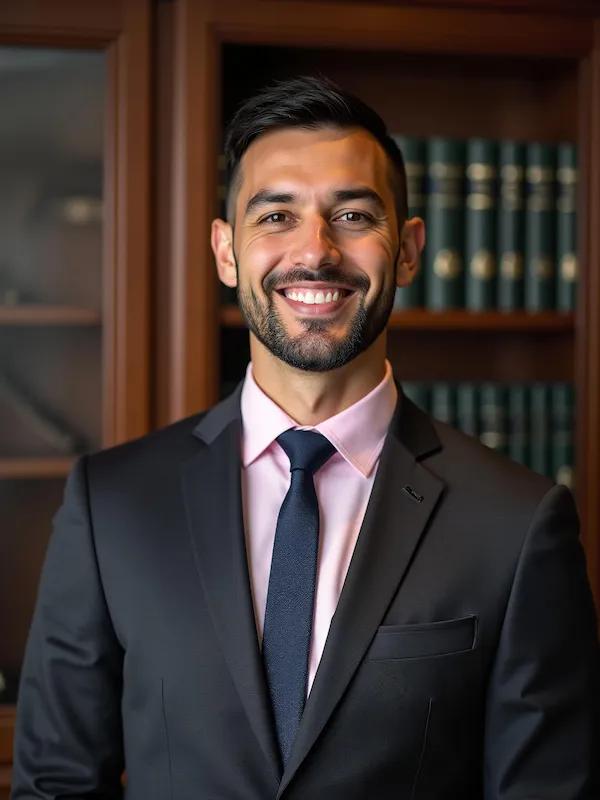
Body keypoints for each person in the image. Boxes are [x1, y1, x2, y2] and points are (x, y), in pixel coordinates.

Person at [12, 76, 599, 800]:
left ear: (409, 251)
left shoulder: (517, 522)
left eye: (352, 214)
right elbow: (56, 785)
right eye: (276, 216)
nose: (315, 252)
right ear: (226, 252)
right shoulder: (113, 505)